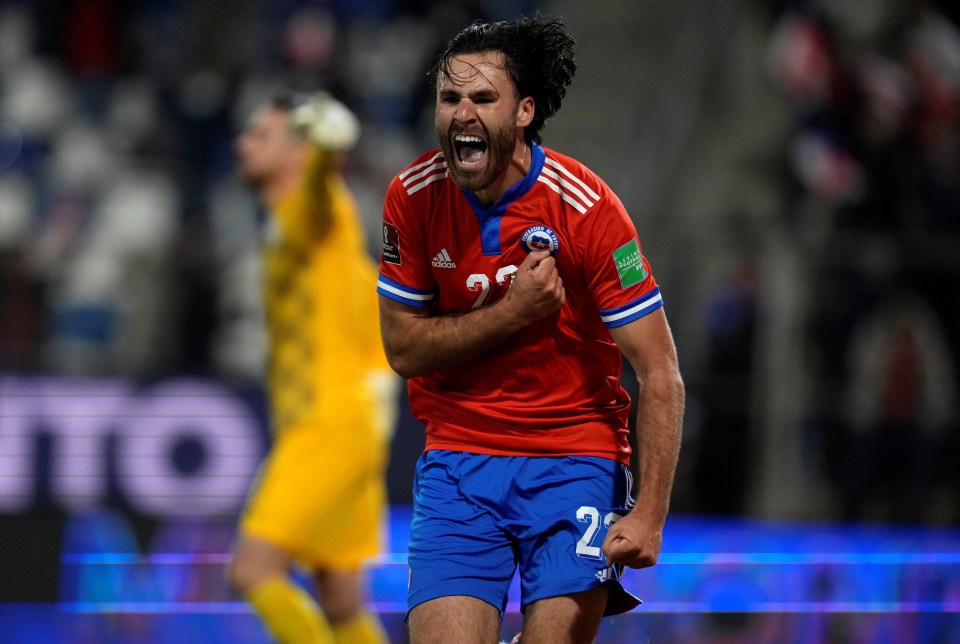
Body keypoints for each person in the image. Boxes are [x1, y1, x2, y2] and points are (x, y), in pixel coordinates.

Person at [376, 15, 685, 644]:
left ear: (524, 111)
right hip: (458, 463)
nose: (462, 114)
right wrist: (514, 312)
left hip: (575, 460)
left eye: (483, 98)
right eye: (449, 97)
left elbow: (661, 373)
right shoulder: (411, 197)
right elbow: (403, 348)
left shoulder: (589, 209)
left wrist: (649, 512)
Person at [229, 90, 398, 644]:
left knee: (253, 571)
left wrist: (327, 144)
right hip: (352, 420)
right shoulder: (290, 224)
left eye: (259, 135)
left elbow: (322, 188)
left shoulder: (317, 210)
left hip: (330, 423)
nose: (241, 143)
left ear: (297, 155)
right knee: (341, 598)